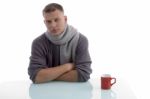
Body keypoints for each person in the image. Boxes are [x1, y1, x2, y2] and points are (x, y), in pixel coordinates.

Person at [28, 3, 92, 83]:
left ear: (65, 19)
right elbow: (36, 76)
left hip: (74, 92)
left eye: (56, 20)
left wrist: (48, 76)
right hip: (46, 92)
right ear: (44, 22)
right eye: (49, 21)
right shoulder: (38, 43)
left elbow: (83, 74)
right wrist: (67, 67)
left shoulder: (80, 40)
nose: (53, 25)